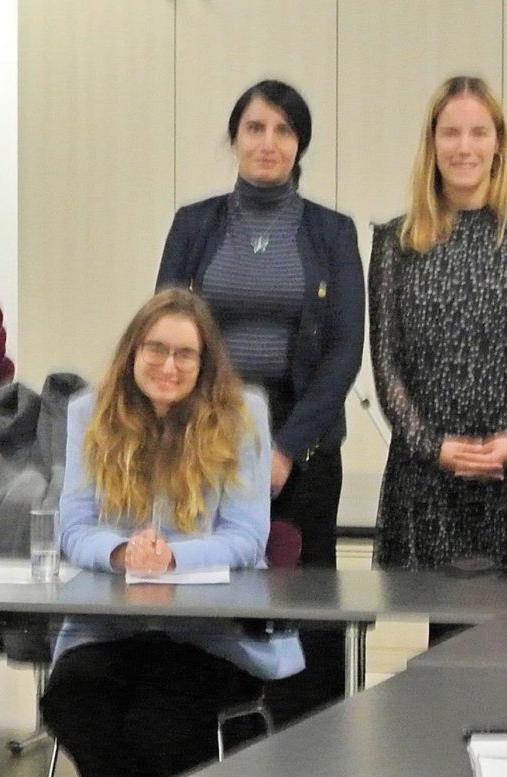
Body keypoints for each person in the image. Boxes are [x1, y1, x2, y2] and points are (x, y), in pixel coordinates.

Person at [38, 289, 299, 777]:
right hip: (108, 630)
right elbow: (75, 525)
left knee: (162, 719)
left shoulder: (243, 414)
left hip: (211, 635)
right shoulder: (89, 413)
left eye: (186, 354)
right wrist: (122, 550)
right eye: (156, 349)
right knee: (70, 698)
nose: (168, 365)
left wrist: (170, 557)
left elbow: (247, 537)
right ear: (133, 351)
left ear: (205, 365)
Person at [155, 79, 361, 725]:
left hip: (304, 438)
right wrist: (214, 437)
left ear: (300, 144)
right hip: (203, 435)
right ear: (236, 138)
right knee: (212, 585)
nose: (268, 142)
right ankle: (218, 731)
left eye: (282, 130)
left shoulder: (331, 231)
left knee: (304, 598)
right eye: (255, 128)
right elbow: (163, 338)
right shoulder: (195, 225)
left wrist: (285, 448)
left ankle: (313, 734)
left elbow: (344, 351)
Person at [370, 76, 507, 580]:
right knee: (446, 643)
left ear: (498, 143)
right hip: (432, 479)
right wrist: (431, 445)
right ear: (432, 144)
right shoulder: (397, 243)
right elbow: (386, 361)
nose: (464, 147)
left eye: (478, 132)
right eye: (450, 133)